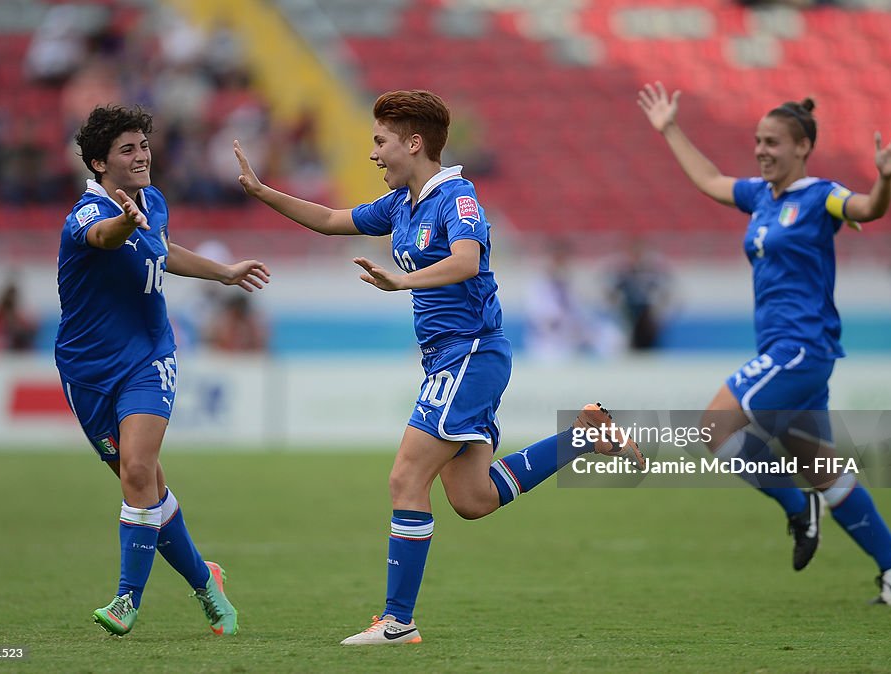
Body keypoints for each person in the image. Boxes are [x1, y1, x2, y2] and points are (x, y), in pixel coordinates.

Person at [235, 89, 644, 645]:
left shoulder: (456, 196)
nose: (374, 154)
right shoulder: (402, 203)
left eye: (380, 142)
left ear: (414, 142)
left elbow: (466, 260)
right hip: (449, 359)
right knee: (472, 500)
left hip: (471, 352)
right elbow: (332, 219)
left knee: (405, 478)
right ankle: (582, 437)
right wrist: (262, 192)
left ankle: (397, 621)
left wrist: (402, 280)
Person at [638, 81, 891, 604]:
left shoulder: (819, 196)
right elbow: (710, 180)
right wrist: (670, 128)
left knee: (715, 428)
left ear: (802, 148)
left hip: (799, 349)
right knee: (825, 473)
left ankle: (796, 507)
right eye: (758, 141)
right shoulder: (760, 198)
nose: (762, 151)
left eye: (773, 142)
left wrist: (884, 180)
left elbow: (866, 209)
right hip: (787, 352)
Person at [55, 104, 270, 636]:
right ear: (100, 164)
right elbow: (105, 237)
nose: (141, 155)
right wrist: (124, 220)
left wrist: (222, 273)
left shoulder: (153, 202)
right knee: (147, 483)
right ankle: (205, 581)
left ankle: (127, 600)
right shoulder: (84, 216)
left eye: (144, 146)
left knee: (136, 470)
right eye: (127, 149)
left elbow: (161, 250)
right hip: (87, 371)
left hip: (149, 357)